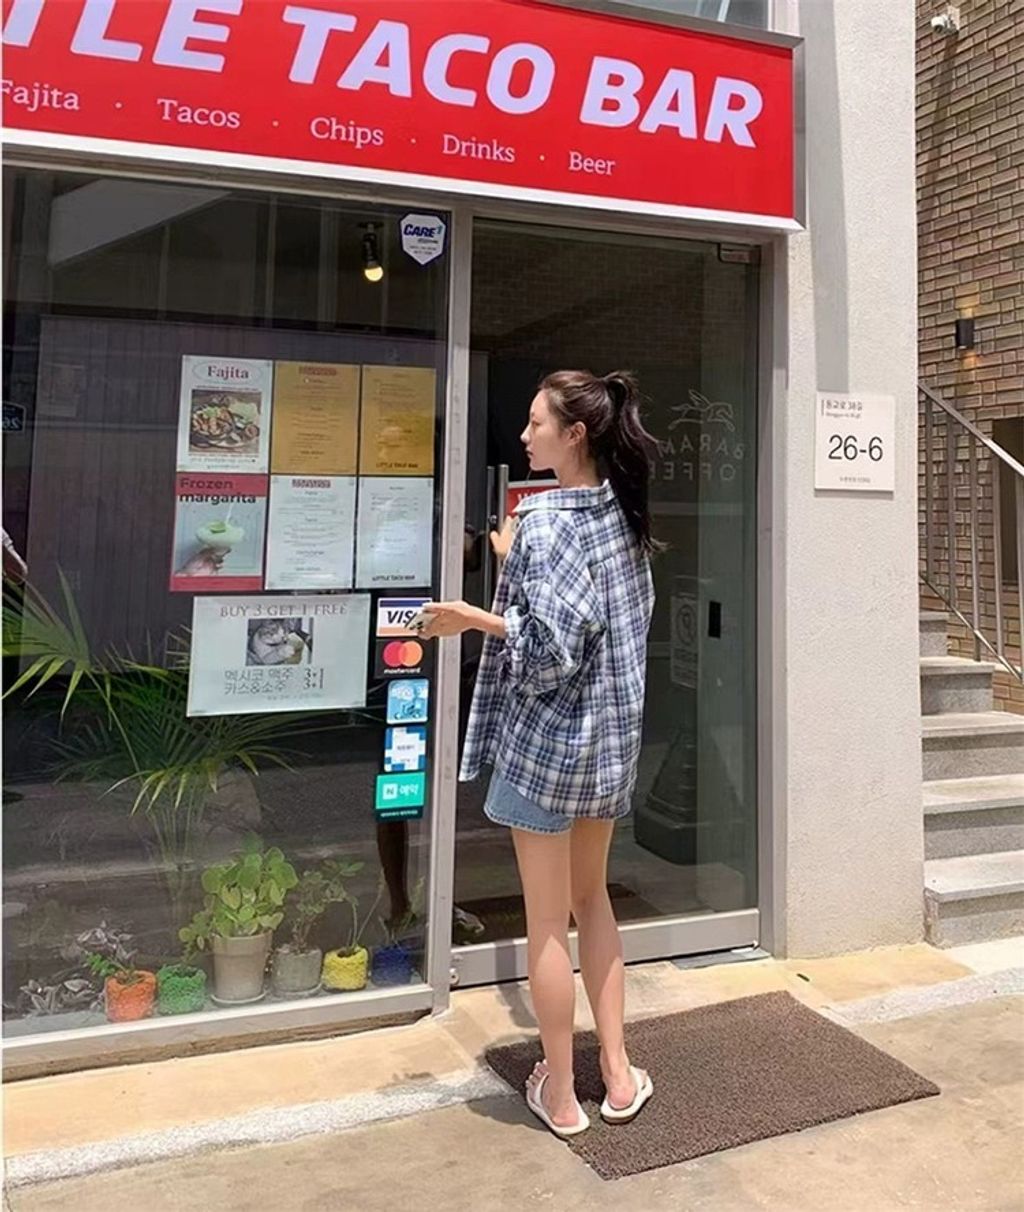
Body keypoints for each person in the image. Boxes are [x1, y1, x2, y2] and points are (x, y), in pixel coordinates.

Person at [422, 370, 659, 1138]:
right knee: (594, 903)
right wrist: (510, 559)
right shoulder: (622, 515)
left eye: (536, 424)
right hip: (607, 750)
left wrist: (473, 616)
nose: (524, 437)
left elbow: (552, 648)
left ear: (574, 434)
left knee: (547, 924)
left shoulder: (548, 522)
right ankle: (616, 1074)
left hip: (547, 754)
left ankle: (560, 1094)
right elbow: (592, 623)